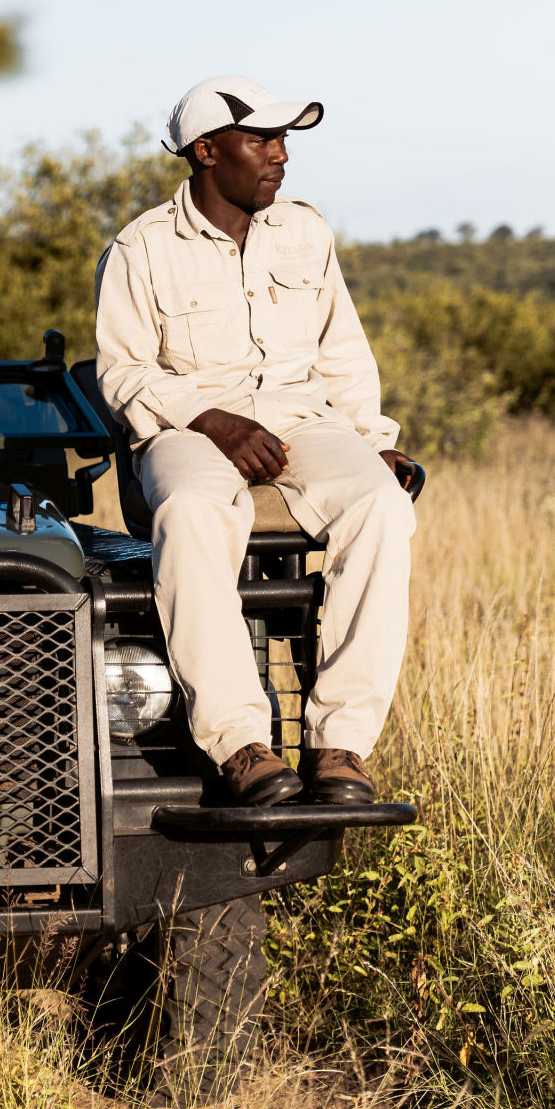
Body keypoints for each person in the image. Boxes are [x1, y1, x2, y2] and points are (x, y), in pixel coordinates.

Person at [91, 75, 419, 807]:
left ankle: (341, 749)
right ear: (207, 151)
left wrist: (374, 441)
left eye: (284, 141)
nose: (280, 156)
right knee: (192, 513)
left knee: (382, 508)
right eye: (262, 140)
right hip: (188, 425)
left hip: (305, 419)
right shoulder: (139, 250)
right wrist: (214, 421)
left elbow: (343, 354)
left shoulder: (306, 230)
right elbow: (123, 374)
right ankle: (241, 744)